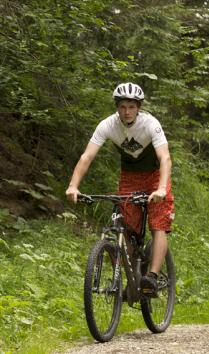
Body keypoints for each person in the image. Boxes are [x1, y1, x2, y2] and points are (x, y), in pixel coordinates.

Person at [65, 82, 174, 293]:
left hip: (155, 176)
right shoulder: (107, 125)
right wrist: (73, 186)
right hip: (130, 176)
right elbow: (87, 156)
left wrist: (161, 189)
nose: (127, 112)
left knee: (158, 224)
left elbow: (165, 158)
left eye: (132, 107)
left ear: (139, 108)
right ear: (116, 107)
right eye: (123, 106)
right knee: (128, 229)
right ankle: (133, 281)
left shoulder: (151, 124)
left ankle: (151, 276)